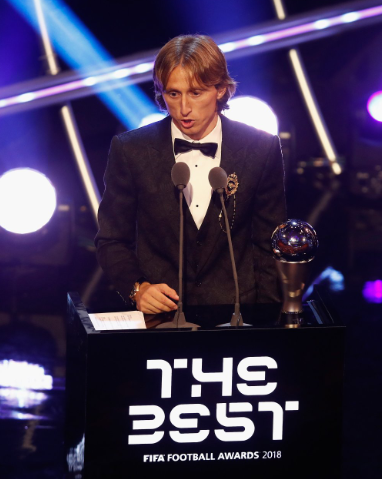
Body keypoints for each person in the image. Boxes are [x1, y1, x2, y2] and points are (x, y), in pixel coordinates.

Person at [95, 34, 286, 314]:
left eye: (196, 93)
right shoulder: (131, 150)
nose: (184, 108)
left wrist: (266, 320)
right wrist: (138, 289)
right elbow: (111, 240)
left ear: (220, 89)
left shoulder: (260, 148)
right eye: (173, 94)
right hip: (160, 318)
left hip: (237, 318)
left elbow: (269, 244)